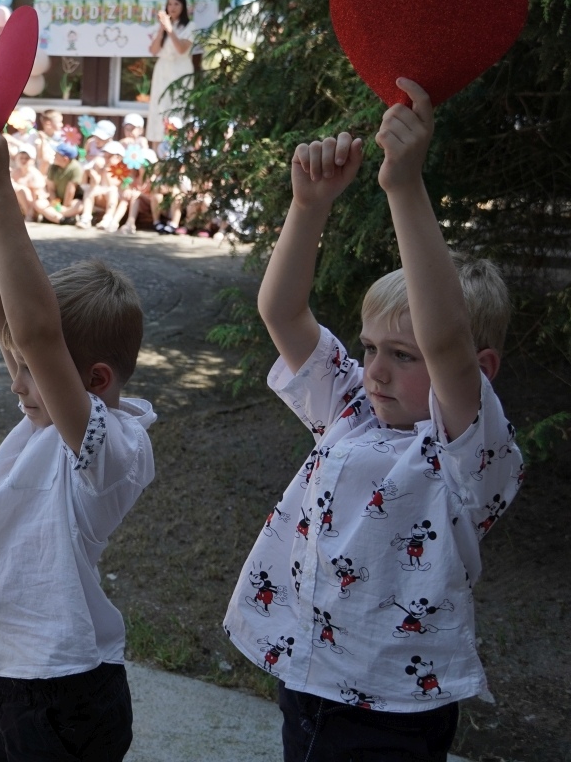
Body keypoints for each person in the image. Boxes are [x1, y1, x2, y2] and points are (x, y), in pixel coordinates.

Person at [222, 80, 523, 761]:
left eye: (403, 355)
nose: (376, 370)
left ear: (481, 370)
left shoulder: (463, 451)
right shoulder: (353, 409)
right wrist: (308, 207)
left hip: (392, 712)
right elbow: (282, 313)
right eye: (370, 349)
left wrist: (403, 187)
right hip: (308, 678)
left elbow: (446, 339)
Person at [0, 119, 155, 762]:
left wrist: (1, 195)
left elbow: (34, 333)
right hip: (7, 678)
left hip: (66, 698)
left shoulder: (109, 451)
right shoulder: (47, 418)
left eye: (32, 368)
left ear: (95, 379)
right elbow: (10, 319)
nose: (15, 379)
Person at [146, 0, 196, 142]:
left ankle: (179, 142)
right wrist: (162, 29)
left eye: (176, 4)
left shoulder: (190, 26)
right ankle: (157, 143)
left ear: (183, 6)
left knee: (179, 103)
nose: (172, 7)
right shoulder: (162, 27)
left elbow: (181, 49)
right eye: (169, 4)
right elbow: (154, 50)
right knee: (160, 105)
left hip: (181, 70)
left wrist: (170, 30)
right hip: (163, 70)